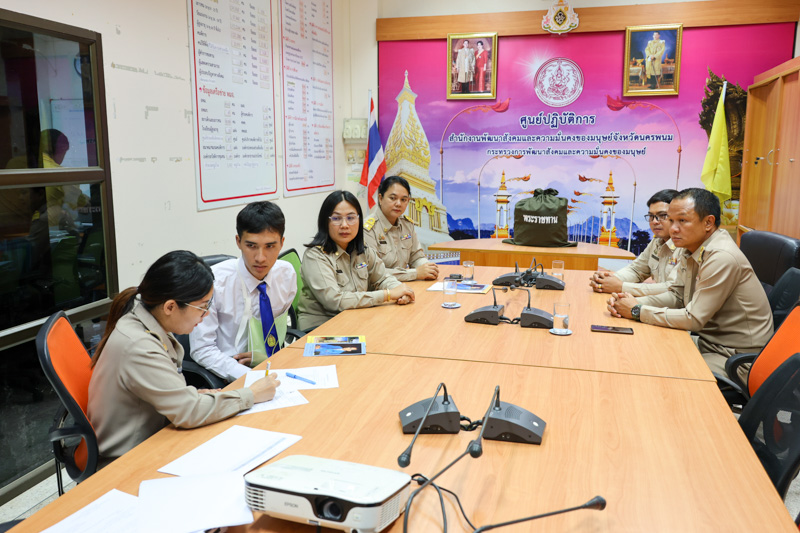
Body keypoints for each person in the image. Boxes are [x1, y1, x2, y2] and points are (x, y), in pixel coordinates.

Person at [87, 251, 280, 460]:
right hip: (128, 459)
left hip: (157, 433)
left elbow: (174, 398)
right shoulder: (139, 346)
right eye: (202, 307)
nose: (206, 314)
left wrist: (189, 396)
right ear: (170, 306)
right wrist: (251, 394)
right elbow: (189, 412)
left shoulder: (146, 320)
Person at [607, 188, 773, 379]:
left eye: (682, 221)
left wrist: (637, 311)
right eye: (671, 220)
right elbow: (677, 295)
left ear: (708, 222)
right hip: (708, 342)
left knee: (653, 369)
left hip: (735, 357)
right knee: (641, 349)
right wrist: (628, 303)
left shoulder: (721, 257)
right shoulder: (692, 248)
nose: (673, 229)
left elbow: (693, 318)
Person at [190, 202, 296, 382]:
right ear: (238, 242)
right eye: (251, 246)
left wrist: (264, 358)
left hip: (272, 366)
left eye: (270, 246)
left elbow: (278, 329)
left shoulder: (286, 274)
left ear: (282, 243)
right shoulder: (214, 283)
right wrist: (248, 376)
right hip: (227, 375)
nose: (260, 258)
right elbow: (202, 349)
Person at [298, 190, 415, 330]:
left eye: (351, 218)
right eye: (336, 218)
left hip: (355, 319)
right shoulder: (315, 256)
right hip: (322, 329)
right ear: (325, 222)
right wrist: (387, 295)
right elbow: (335, 301)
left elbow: (382, 278)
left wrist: (400, 291)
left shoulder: (361, 250)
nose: (344, 225)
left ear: (359, 220)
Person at [590, 189, 681, 296]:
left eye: (662, 215)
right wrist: (607, 280)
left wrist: (621, 287)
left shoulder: (685, 246)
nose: (655, 221)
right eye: (651, 216)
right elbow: (637, 270)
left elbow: (672, 289)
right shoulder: (656, 242)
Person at [363, 176, 439, 282]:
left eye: (403, 200)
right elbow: (374, 272)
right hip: (379, 289)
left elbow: (416, 257)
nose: (398, 204)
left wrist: (427, 267)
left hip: (404, 286)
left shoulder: (407, 225)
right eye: (393, 198)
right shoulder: (368, 229)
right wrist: (415, 273)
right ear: (380, 198)